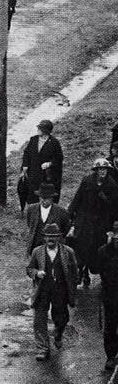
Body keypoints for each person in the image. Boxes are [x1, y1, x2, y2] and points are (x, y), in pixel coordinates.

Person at [27, 224, 78, 361]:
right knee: (39, 320)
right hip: (42, 290)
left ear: (59, 238)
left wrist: (72, 290)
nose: (51, 239)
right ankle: (42, 349)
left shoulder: (68, 252)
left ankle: (58, 334)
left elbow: (74, 273)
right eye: (48, 236)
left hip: (60, 290)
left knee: (62, 318)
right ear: (44, 237)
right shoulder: (37, 252)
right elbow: (29, 269)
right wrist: (37, 273)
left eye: (54, 237)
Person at [67, 158, 118, 288]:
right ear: (96, 170)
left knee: (97, 248)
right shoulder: (87, 181)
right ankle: (80, 270)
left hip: (101, 223)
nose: (102, 172)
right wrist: (70, 213)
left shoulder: (112, 185)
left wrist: (113, 225)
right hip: (85, 220)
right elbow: (77, 198)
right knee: (81, 246)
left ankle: (92, 272)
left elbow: (114, 207)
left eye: (105, 169)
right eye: (100, 169)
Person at [20, 119, 63, 205]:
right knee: (32, 193)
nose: (38, 130)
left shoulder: (54, 143)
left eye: (40, 128)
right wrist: (25, 165)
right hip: (33, 172)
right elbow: (26, 153)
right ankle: (33, 209)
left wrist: (50, 163)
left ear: (45, 131)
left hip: (46, 175)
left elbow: (59, 158)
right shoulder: (34, 139)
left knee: (45, 193)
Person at [23, 183, 71, 256]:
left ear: (52, 198)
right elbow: (30, 224)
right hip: (35, 246)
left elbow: (65, 229)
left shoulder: (61, 212)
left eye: (46, 198)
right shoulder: (31, 209)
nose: (43, 200)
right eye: (41, 198)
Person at [98, 222, 118, 370]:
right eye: (115, 235)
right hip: (110, 295)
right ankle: (111, 356)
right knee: (110, 327)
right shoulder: (103, 252)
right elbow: (102, 273)